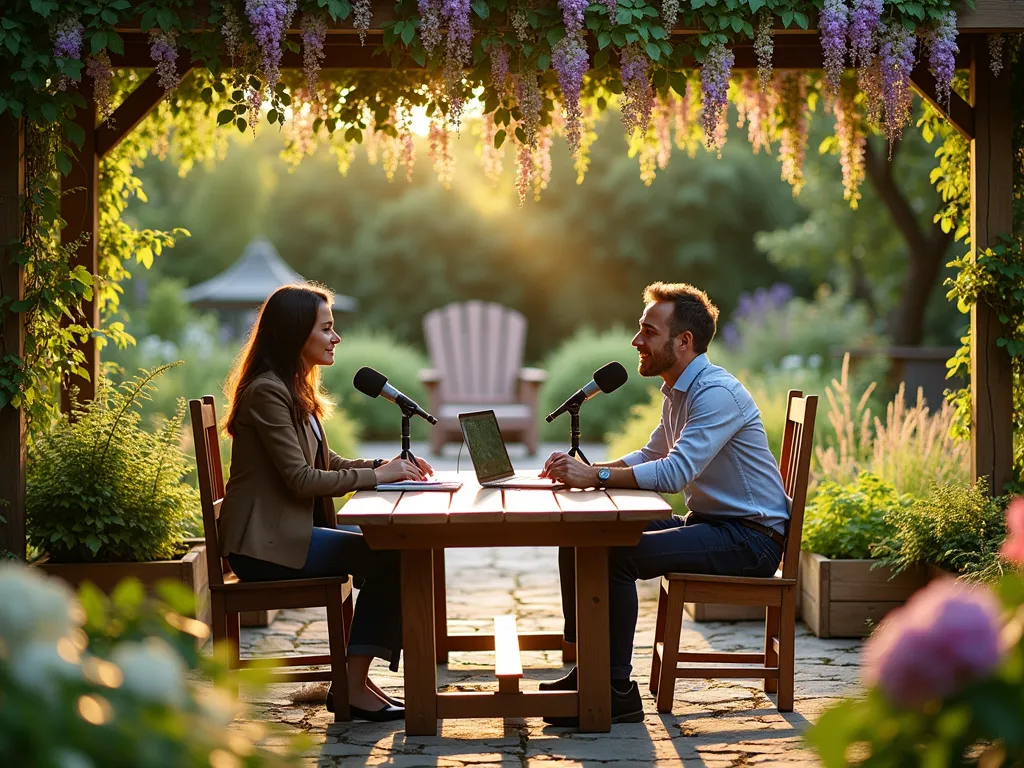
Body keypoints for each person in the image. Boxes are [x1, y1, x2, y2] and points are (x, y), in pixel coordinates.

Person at [538, 282, 790, 727]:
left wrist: (593, 477)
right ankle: (590, 667)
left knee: (616, 555)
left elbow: (673, 474)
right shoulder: (678, 390)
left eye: (647, 332)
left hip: (751, 539)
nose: (636, 342)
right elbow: (653, 454)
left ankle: (614, 690)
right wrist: (589, 470)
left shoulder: (714, 393)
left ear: (683, 341)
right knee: (580, 536)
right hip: (714, 525)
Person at [218, 284, 431, 722]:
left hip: (284, 535)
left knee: (394, 546)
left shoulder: (291, 388)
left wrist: (384, 464)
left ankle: (353, 681)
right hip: (262, 547)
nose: (336, 338)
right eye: (327, 328)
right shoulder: (266, 392)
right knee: (394, 555)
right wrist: (378, 476)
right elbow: (300, 480)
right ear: (296, 333)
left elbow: (324, 462)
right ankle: (352, 686)